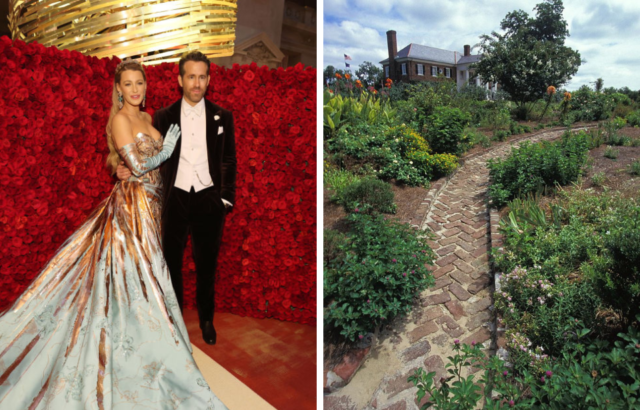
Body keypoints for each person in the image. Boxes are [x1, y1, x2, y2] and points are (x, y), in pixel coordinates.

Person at [0, 60, 228, 409]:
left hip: (155, 208)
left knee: (147, 278)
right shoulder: (120, 119)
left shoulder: (151, 118)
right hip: (132, 210)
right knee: (138, 278)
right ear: (118, 89)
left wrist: (127, 165)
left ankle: (149, 345)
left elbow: (134, 163)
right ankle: (135, 353)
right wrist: (159, 153)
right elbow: (137, 165)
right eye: (128, 84)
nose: (135, 89)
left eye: (140, 83)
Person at [116, 51, 237, 346]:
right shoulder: (162, 116)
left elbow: (228, 159)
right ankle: (176, 320)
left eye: (202, 77)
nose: (197, 83)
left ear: (208, 79)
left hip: (209, 200)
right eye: (191, 76)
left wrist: (226, 199)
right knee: (170, 265)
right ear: (180, 79)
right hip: (174, 200)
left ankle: (207, 320)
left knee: (207, 264)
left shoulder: (223, 115)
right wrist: (123, 170)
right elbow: (148, 156)